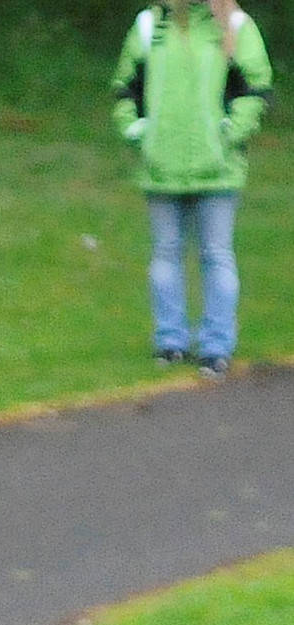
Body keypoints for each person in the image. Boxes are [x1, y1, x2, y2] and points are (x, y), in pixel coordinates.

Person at [111, 1, 274, 377]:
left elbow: (254, 88)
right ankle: (170, 341)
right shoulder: (149, 26)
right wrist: (138, 133)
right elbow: (126, 87)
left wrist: (228, 136)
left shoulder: (235, 25)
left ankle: (216, 345)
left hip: (217, 170)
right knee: (165, 253)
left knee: (216, 254)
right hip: (162, 166)